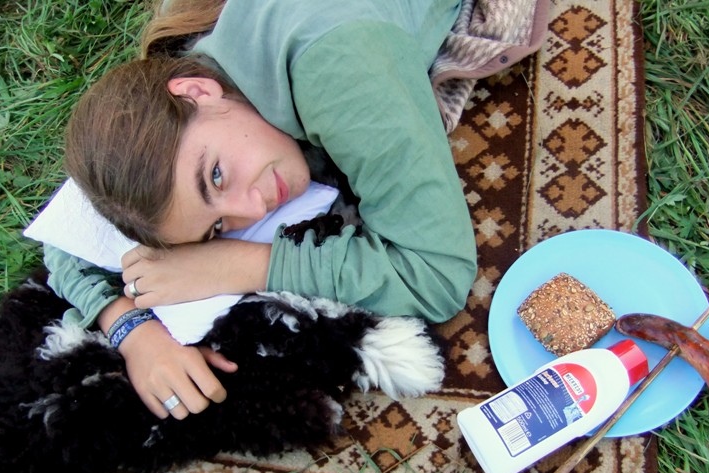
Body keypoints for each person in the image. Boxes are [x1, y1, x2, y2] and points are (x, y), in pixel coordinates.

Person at [45, 0, 491, 421]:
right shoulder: (192, 83)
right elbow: (71, 235)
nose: (255, 207)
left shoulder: (340, 68)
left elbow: (435, 275)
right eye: (218, 227)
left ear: (197, 90)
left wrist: (240, 265)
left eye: (216, 176)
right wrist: (131, 329)